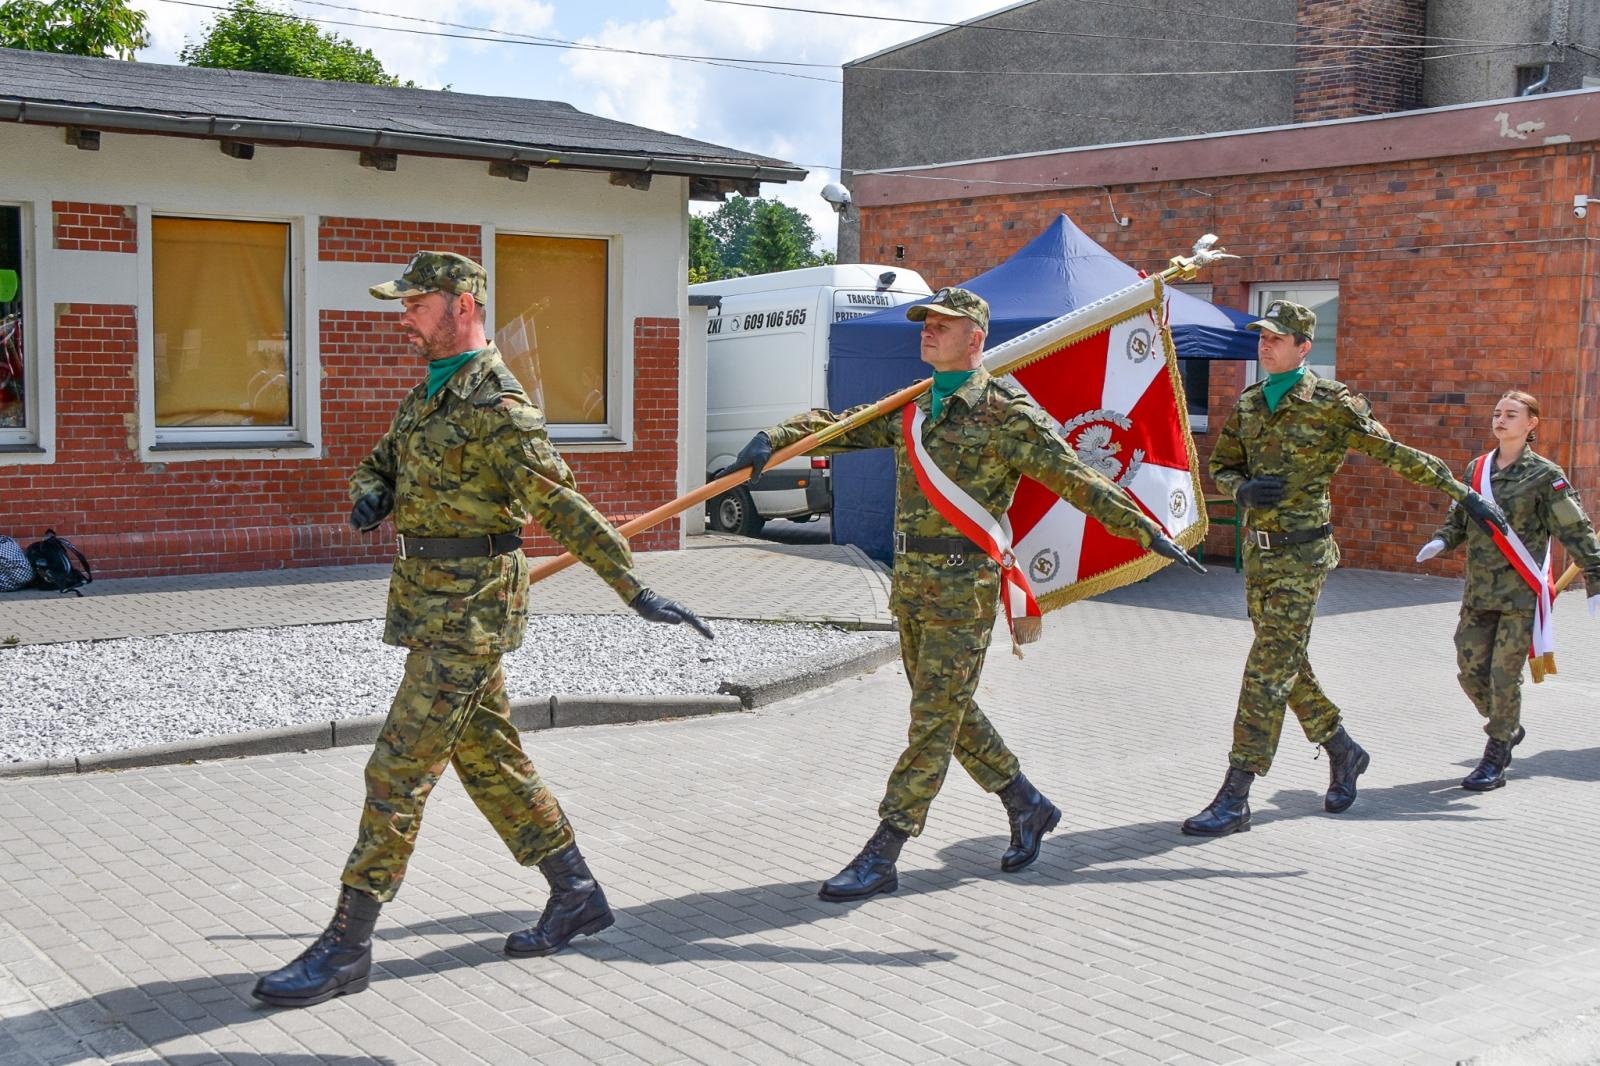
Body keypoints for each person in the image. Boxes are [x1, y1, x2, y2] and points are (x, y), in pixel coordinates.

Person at [253, 251, 713, 1008]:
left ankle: (347, 945)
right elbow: (377, 464)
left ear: (461, 304)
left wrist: (635, 588)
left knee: (396, 770)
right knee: (491, 758)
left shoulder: (499, 404)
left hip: (470, 614)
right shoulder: (428, 395)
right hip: (429, 602)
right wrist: (371, 494)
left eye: (415, 304)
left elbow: (562, 505)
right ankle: (576, 893)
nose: (402, 317)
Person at [722, 287, 1206, 902]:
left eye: (943, 325)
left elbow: (1080, 479)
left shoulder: (1008, 411)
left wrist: (1147, 531)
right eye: (926, 323)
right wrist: (775, 437)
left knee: (931, 719)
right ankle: (1025, 802)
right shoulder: (916, 405)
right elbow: (842, 428)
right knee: (947, 709)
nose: (927, 331)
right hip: (912, 586)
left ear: (975, 337)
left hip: (964, 588)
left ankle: (886, 847)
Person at [1182, 300, 1508, 837]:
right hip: (1261, 556)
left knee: (1266, 670)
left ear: (1304, 347)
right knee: (1285, 664)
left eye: (1277, 339)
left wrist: (1464, 494)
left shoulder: (1333, 403)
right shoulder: (1247, 404)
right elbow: (1220, 463)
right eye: (1262, 337)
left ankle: (1236, 794)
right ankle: (1343, 748)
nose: (1266, 345)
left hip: (1303, 556)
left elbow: (1394, 453)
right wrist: (1239, 488)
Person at [1415, 390, 1600, 791]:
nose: (1501, 419)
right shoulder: (1476, 469)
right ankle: (1507, 725)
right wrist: (1443, 540)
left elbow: (1575, 528)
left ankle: (1495, 754)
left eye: (1511, 414)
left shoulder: (1545, 475)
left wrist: (1595, 575)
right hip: (1479, 591)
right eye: (1497, 413)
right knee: (1470, 671)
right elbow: (1461, 516)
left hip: (1521, 595)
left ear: (1531, 423)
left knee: (1504, 675)